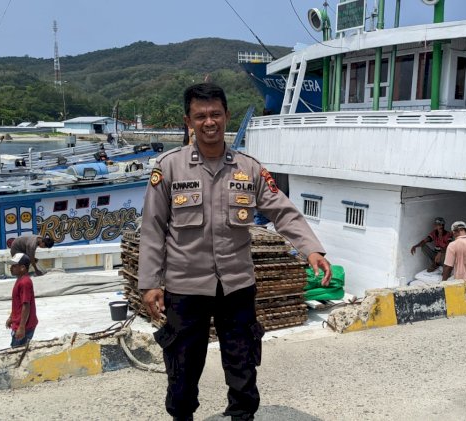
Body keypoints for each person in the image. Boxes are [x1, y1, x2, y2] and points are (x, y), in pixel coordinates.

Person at [138, 82, 332, 421]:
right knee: (182, 371)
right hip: (185, 289)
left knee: (243, 367)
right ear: (189, 121)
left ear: (227, 116)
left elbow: (282, 211)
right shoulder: (168, 167)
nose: (209, 122)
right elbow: (153, 227)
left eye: (215, 114)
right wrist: (150, 283)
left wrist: (312, 250)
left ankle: (242, 418)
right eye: (200, 116)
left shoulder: (249, 168)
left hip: (237, 287)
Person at [5, 253, 38, 348]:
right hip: (19, 323)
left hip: (24, 326)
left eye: (14, 266)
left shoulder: (24, 282)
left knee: (17, 352)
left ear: (23, 268)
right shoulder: (20, 280)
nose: (11, 268)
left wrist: (22, 327)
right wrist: (11, 317)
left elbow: (26, 305)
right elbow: (17, 304)